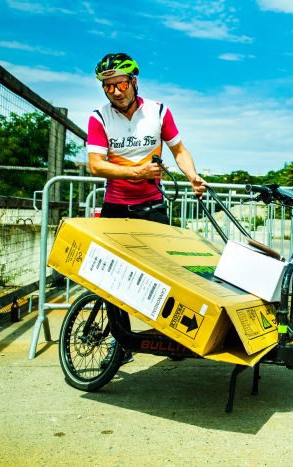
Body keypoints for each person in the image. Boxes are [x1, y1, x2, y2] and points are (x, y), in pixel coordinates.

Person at [87, 52, 207, 365]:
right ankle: (120, 345)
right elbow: (95, 166)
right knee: (111, 279)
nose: (115, 91)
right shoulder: (99, 118)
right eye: (108, 86)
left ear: (134, 82)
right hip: (115, 205)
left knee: (166, 274)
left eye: (121, 83)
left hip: (152, 205)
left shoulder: (158, 111)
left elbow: (179, 150)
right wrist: (135, 173)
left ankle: (172, 337)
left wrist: (192, 176)